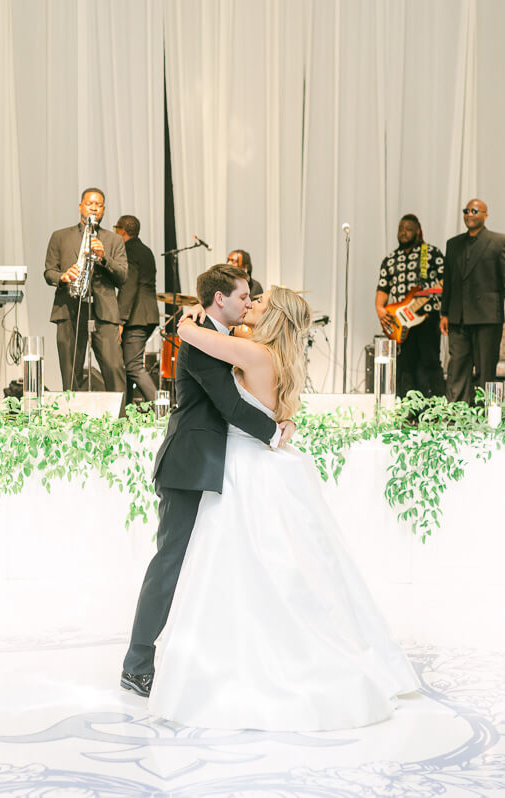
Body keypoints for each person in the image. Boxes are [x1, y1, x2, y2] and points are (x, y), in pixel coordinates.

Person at [142, 283, 419, 731]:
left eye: (260, 302)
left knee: (245, 563)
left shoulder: (252, 353)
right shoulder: (274, 355)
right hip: (263, 461)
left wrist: (191, 315)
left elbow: (190, 335)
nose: (250, 303)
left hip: (247, 467)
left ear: (273, 317)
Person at [121, 264, 293, 699]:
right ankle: (137, 663)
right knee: (170, 563)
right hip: (188, 464)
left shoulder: (217, 335)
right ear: (221, 300)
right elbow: (230, 404)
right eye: (242, 297)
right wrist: (275, 432)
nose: (247, 303)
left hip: (215, 465)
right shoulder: (198, 342)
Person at [43, 188, 129, 393]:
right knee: (70, 371)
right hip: (69, 308)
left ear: (104, 210)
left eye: (98, 205)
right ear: (80, 206)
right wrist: (63, 277)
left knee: (114, 368)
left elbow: (123, 277)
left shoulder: (114, 240)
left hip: (104, 311)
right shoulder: (60, 236)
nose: (94, 207)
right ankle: (71, 419)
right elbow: (48, 272)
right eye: (89, 203)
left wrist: (104, 258)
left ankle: (121, 421)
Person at [440, 199, 505, 404]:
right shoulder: (453, 244)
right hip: (459, 317)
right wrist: (445, 313)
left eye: (474, 211)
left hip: (486, 316)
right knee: (457, 367)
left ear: (485, 215)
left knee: (486, 371)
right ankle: (456, 415)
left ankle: (488, 416)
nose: (469, 214)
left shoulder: (499, 242)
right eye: (466, 211)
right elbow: (448, 281)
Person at [375, 213, 447, 398]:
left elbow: (445, 280)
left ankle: (436, 408)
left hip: (427, 318)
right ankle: (407, 408)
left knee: (429, 362)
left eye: (408, 229)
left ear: (418, 231)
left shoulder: (431, 253)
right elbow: (383, 288)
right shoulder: (390, 259)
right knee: (406, 365)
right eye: (400, 229)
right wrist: (380, 309)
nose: (403, 233)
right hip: (401, 322)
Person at [114, 215, 160, 404]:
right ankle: (126, 410)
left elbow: (129, 287)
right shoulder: (146, 250)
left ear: (122, 230)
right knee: (128, 366)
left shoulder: (129, 250)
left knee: (132, 366)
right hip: (148, 314)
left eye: (116, 228)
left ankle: (161, 408)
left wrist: (120, 320)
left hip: (136, 316)